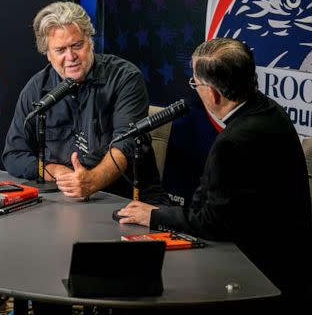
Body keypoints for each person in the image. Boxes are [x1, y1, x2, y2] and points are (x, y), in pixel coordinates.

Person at [117, 38, 312, 308]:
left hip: (257, 274)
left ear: (214, 94)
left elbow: (211, 222)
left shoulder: (232, 142)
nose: (194, 90)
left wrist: (153, 215)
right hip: (290, 265)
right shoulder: (270, 111)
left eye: (195, 84)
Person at [2, 1, 163, 200]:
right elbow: (14, 154)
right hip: (63, 200)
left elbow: (126, 145)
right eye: (60, 50)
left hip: (122, 199)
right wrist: (57, 172)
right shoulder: (36, 89)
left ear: (90, 41)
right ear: (48, 55)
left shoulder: (125, 78)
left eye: (77, 45)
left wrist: (92, 181)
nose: (71, 57)